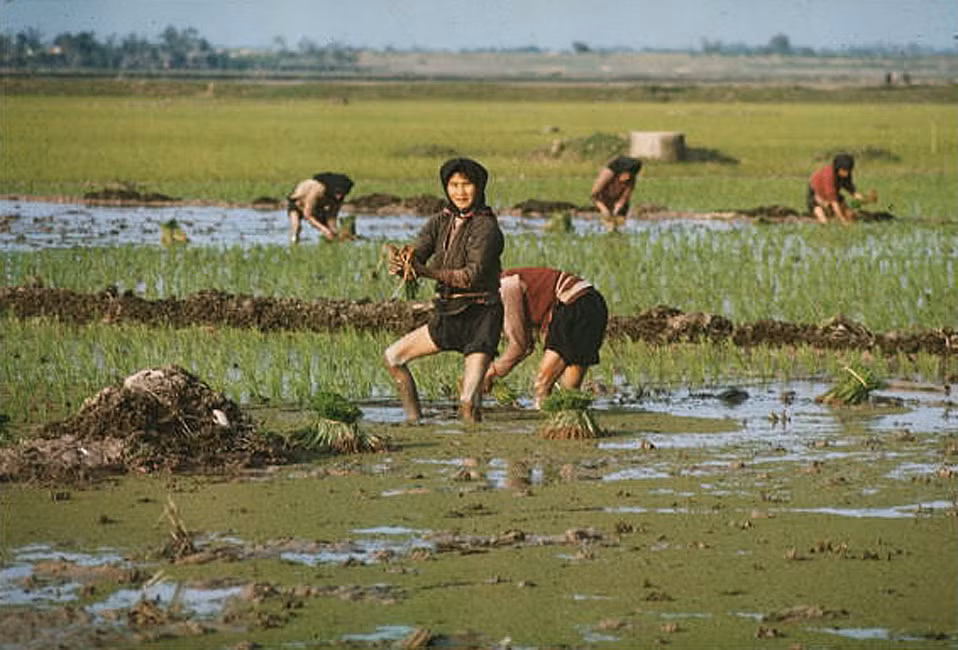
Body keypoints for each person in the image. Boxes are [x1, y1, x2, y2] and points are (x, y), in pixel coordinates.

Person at [383, 158, 504, 423]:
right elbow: (421, 250)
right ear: (445, 187)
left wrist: (424, 272)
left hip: (481, 315)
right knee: (393, 358)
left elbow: (470, 276)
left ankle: (475, 455)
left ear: (479, 187)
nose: (460, 192)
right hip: (447, 312)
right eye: (453, 185)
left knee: (468, 401)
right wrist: (404, 263)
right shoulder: (440, 220)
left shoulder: (487, 228)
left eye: (466, 185)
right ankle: (415, 422)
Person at [482, 267, 608, 409]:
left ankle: (541, 420)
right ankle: (569, 426)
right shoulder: (509, 283)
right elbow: (527, 345)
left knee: (542, 383)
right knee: (569, 393)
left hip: (573, 304)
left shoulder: (506, 286)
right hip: (595, 304)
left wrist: (491, 373)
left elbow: (519, 346)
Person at [287, 172, 354, 243]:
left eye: (342, 194)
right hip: (298, 203)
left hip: (317, 207)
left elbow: (332, 216)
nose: (339, 197)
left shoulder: (338, 197)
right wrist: (324, 230)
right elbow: (307, 215)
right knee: (296, 227)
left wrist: (334, 231)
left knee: (331, 231)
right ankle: (293, 245)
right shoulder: (318, 190)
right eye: (338, 193)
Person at [808, 153, 865, 224]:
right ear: (837, 168)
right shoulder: (829, 176)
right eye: (844, 170)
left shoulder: (845, 173)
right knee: (823, 219)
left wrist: (857, 195)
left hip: (833, 192)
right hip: (817, 192)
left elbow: (849, 186)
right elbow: (833, 201)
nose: (846, 174)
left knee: (849, 214)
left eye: (848, 170)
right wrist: (843, 220)